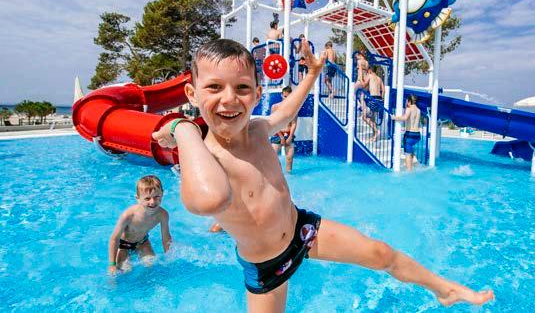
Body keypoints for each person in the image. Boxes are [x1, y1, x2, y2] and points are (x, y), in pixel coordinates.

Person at [152, 38, 494, 311]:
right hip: (267, 265)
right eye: (214, 87)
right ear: (192, 94)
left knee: (381, 253)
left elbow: (286, 113)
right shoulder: (206, 155)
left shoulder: (257, 130)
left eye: (242, 88)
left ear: (257, 93)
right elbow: (208, 200)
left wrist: (313, 73)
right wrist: (183, 128)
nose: (229, 99)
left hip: (303, 230)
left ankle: (444, 289)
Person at [108, 175, 172, 274]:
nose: (153, 202)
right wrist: (112, 264)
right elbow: (114, 239)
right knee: (124, 271)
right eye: (147, 198)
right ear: (138, 198)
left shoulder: (163, 215)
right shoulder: (128, 215)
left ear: (162, 194)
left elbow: (166, 238)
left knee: (152, 265)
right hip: (124, 245)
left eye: (156, 197)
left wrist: (169, 258)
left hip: (143, 243)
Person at [271, 86, 297, 173]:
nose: (287, 98)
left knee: (289, 158)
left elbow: (294, 123)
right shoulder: (275, 107)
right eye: (285, 96)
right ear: (281, 95)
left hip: (289, 134)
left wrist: (290, 136)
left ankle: (289, 177)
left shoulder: (294, 108)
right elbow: (273, 123)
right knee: (272, 157)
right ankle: (278, 174)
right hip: (277, 134)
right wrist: (281, 137)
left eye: (289, 96)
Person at [392, 95, 421, 170]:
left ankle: (409, 171)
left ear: (409, 101)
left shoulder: (409, 108)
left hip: (410, 134)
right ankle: (413, 159)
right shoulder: (418, 110)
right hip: (417, 135)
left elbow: (405, 118)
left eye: (407, 101)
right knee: (410, 149)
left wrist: (395, 117)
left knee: (407, 153)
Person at [363, 66, 385, 142]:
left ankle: (376, 130)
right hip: (379, 99)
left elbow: (364, 84)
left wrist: (361, 80)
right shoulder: (379, 78)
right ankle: (374, 137)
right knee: (372, 118)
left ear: (370, 70)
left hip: (373, 98)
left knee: (364, 117)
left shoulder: (370, 76)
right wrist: (382, 99)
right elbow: (383, 90)